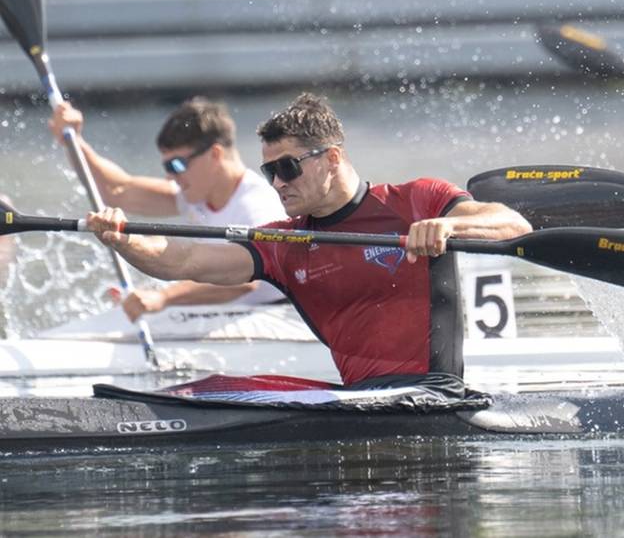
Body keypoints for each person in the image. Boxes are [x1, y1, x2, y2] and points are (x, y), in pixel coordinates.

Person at [83, 93, 532, 389]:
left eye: (288, 167)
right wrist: (123, 238)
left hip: (434, 395)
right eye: (269, 172)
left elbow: (512, 224)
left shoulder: (416, 200)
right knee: (213, 389)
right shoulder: (284, 243)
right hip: (360, 403)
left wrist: (448, 228)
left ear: (332, 158)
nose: (278, 183)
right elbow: (184, 260)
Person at [48, 97, 288, 320]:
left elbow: (243, 279)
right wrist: (74, 141)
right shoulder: (196, 194)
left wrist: (164, 298)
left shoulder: (258, 207)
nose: (171, 176)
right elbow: (118, 190)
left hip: (277, 316)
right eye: (167, 167)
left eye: (177, 165)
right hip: (230, 314)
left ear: (215, 154)